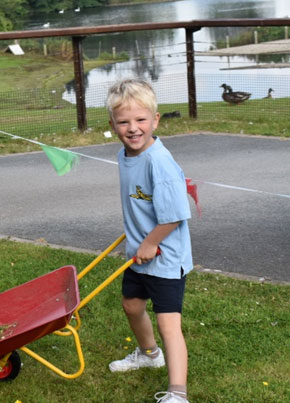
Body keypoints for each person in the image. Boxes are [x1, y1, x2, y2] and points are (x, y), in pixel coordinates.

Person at [106, 79, 193, 403]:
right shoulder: (124, 155)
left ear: (155, 120)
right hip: (140, 252)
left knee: (169, 324)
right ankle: (149, 354)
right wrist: (137, 238)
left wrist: (149, 242)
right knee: (131, 305)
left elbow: (174, 214)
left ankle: (178, 393)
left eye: (140, 120)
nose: (133, 128)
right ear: (112, 125)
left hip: (165, 258)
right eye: (124, 121)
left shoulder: (160, 162)